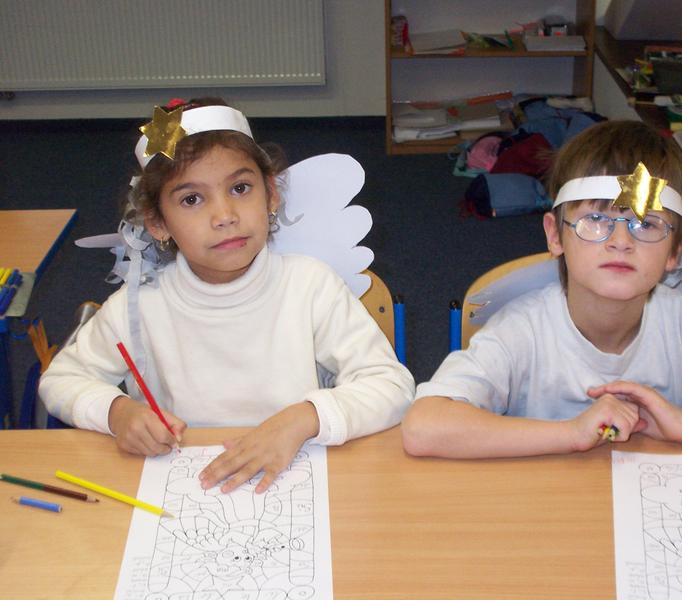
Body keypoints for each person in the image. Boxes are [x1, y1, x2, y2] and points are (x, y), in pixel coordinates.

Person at [39, 97, 414, 492]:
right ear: (158, 223)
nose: (225, 216)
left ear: (270, 194)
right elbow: (60, 380)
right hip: (184, 489)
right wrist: (116, 412)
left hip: (294, 479)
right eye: (191, 199)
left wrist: (306, 418)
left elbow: (391, 387)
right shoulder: (139, 306)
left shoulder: (311, 286)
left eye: (240, 188)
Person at [403, 120, 682, 459]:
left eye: (646, 224)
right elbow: (424, 426)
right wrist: (572, 433)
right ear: (555, 235)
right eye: (595, 219)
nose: (620, 242)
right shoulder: (521, 331)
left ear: (675, 250)